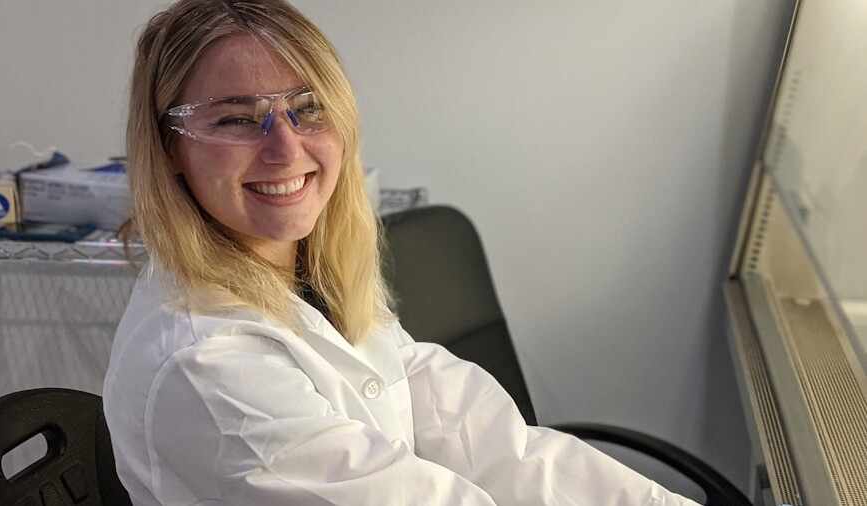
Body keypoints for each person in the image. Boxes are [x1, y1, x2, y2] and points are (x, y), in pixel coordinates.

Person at [103, 0, 701, 504]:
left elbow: (488, 441)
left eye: (308, 107)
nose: (285, 149)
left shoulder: (308, 278)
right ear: (169, 149)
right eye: (236, 119)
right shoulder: (206, 366)